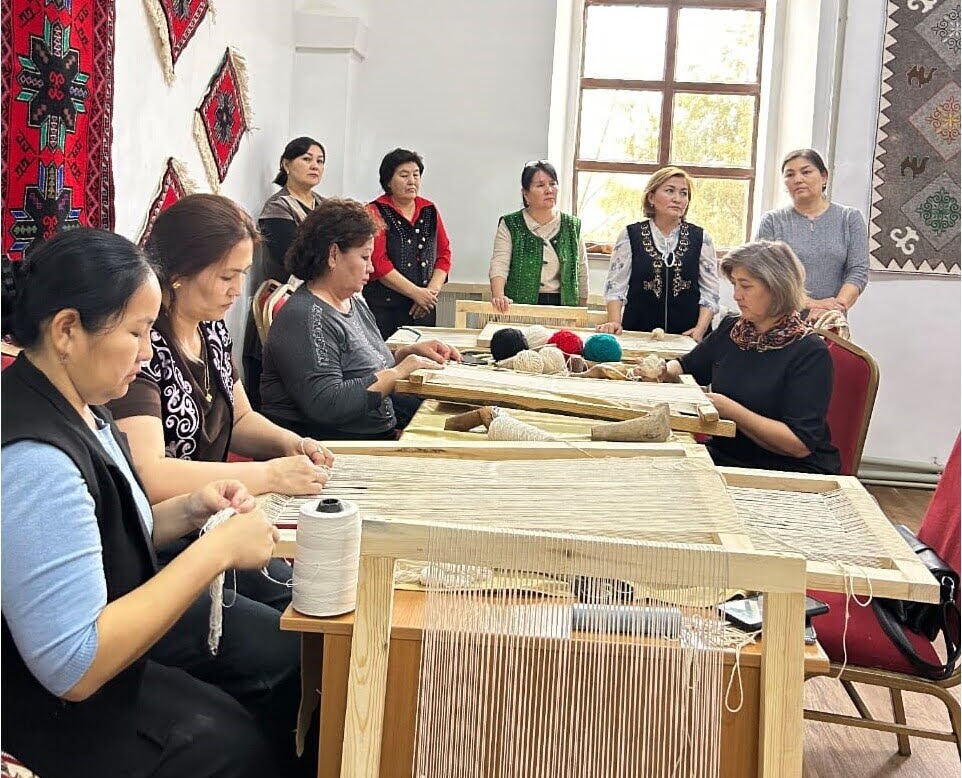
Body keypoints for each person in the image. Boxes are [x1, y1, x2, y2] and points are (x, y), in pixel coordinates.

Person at [1, 228, 283, 777]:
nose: (149, 350)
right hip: (48, 713)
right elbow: (74, 666)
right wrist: (218, 552)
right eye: (136, 331)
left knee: (255, 692)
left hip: (97, 676)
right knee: (232, 743)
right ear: (66, 330)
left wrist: (193, 509)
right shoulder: (35, 461)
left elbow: (105, 534)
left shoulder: (83, 406)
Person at [107, 194, 332, 775]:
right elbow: (151, 475)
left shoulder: (210, 333)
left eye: (242, 275)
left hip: (209, 521)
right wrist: (268, 475)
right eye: (227, 275)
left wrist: (290, 443)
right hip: (164, 542)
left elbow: (242, 418)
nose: (238, 289)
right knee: (287, 644)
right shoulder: (140, 351)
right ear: (180, 273)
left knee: (314, 605)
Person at [262, 198, 461, 440]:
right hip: (334, 447)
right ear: (333, 255)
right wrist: (399, 372)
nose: (371, 269)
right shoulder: (305, 317)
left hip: (372, 433)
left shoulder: (351, 301)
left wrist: (407, 353)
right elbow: (328, 404)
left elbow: (362, 364)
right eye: (365, 258)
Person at [664, 240, 840, 474]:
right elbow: (687, 366)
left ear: (777, 287)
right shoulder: (732, 329)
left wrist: (731, 410)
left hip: (787, 469)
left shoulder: (809, 352)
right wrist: (662, 370)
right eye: (734, 284)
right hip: (729, 454)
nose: (736, 295)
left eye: (745, 286)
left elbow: (799, 444)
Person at [243, 136, 327, 408]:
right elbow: (293, 259)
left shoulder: (325, 206)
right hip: (286, 301)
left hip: (321, 297)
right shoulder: (278, 207)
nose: (315, 166)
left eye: (320, 161)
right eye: (307, 159)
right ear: (286, 164)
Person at [598, 166, 719, 340]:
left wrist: (700, 329)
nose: (677, 199)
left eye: (684, 193)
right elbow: (615, 287)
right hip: (638, 334)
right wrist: (614, 322)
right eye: (670, 191)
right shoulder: (630, 235)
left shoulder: (701, 238)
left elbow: (710, 292)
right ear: (651, 197)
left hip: (688, 336)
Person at [755, 148, 869, 321]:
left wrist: (834, 309)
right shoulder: (772, 221)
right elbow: (762, 275)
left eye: (806, 172)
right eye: (790, 174)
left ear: (824, 176)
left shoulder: (849, 218)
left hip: (829, 323)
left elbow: (858, 271)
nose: (798, 179)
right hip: (778, 322)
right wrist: (809, 304)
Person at [363, 148, 452, 339]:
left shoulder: (429, 209)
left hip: (424, 306)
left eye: (416, 174)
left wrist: (428, 294)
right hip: (385, 307)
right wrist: (415, 293)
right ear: (388, 181)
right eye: (404, 175)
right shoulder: (374, 211)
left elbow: (443, 255)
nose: (412, 181)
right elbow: (378, 262)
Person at [488, 160, 588, 312]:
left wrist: (581, 310)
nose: (549, 190)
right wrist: (499, 296)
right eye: (540, 185)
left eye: (553, 183)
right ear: (526, 194)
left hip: (563, 308)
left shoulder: (572, 226)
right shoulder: (510, 224)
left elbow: (581, 269)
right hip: (519, 306)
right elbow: (499, 264)